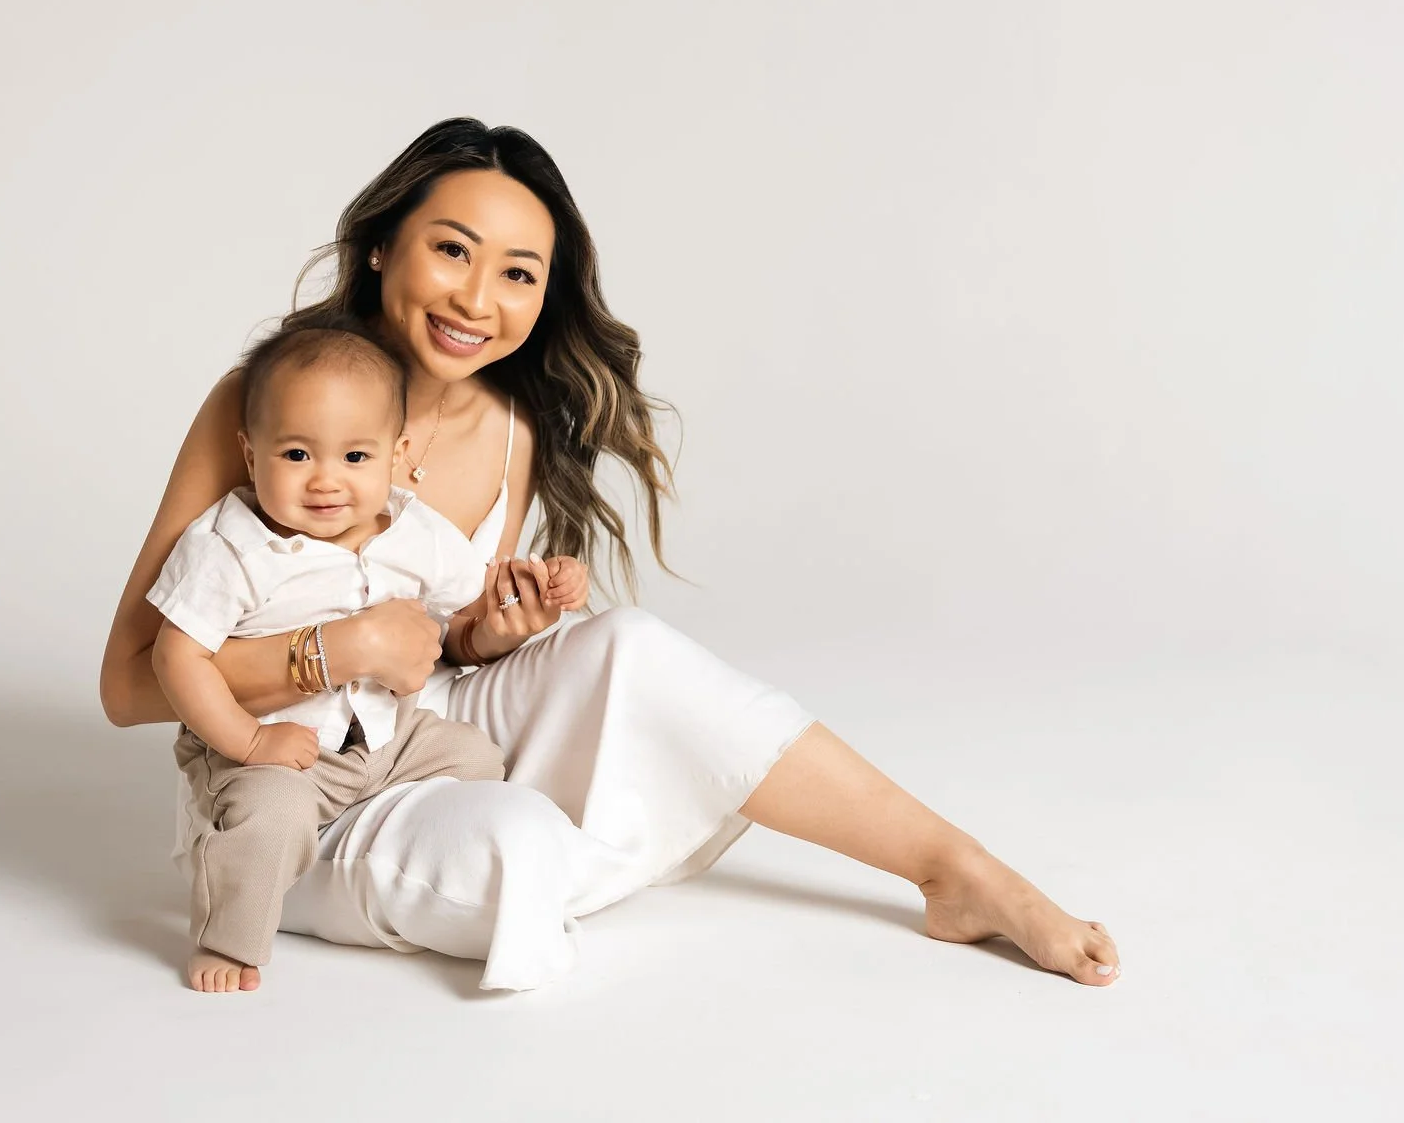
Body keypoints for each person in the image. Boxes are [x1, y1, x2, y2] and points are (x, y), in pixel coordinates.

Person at [99, 117, 1121, 991]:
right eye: (450, 251)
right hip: (272, 774)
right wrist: (335, 650)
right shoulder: (262, 405)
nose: (474, 299)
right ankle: (511, 860)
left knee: (626, 641)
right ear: (381, 248)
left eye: (516, 274)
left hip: (406, 733)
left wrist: (491, 632)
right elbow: (129, 686)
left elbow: (437, 656)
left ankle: (953, 869)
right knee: (520, 844)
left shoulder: (512, 431)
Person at [149, 322, 585, 992]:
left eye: (355, 457)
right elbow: (175, 659)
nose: (326, 481)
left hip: (387, 735)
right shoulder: (227, 549)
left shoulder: (414, 531)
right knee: (269, 817)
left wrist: (533, 592)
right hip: (266, 748)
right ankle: (230, 938)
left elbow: (471, 612)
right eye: (296, 454)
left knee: (478, 756)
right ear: (249, 449)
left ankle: (393, 842)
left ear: (396, 453)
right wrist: (252, 737)